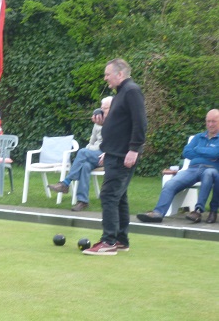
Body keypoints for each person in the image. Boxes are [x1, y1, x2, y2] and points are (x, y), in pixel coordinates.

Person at [83, 58, 147, 256]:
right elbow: (121, 125)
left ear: (120, 74)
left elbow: (140, 122)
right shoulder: (122, 93)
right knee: (119, 197)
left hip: (122, 155)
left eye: (107, 74)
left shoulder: (132, 91)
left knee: (109, 196)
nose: (105, 78)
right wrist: (104, 128)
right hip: (114, 153)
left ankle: (108, 241)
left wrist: (134, 149)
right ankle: (121, 239)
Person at [137, 109, 219, 224]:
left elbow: (216, 153)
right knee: (170, 184)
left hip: (212, 169)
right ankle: (158, 213)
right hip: (193, 169)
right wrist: (209, 152)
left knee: (208, 174)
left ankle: (198, 211)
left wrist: (198, 150)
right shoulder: (198, 137)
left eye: (214, 121)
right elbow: (186, 152)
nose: (210, 124)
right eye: (208, 121)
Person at [48, 96, 113, 211]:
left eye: (105, 108)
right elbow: (91, 142)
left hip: (107, 155)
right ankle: (82, 201)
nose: (101, 110)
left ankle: (66, 183)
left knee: (83, 152)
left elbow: (106, 144)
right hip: (94, 155)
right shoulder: (98, 122)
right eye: (101, 107)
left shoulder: (114, 121)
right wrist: (90, 148)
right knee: (85, 166)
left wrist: (90, 149)